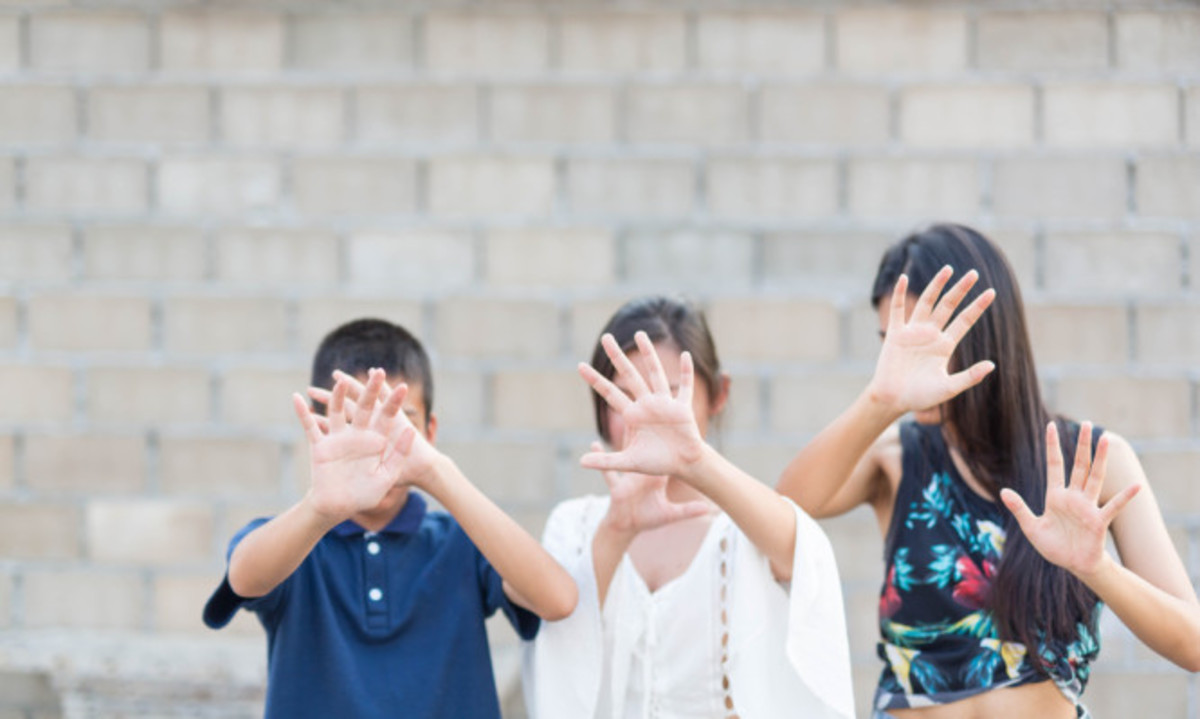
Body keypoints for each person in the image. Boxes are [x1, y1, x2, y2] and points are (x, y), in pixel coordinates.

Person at [776, 224, 1200, 719]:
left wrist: (1096, 569)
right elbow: (784, 513)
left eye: (923, 338)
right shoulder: (895, 456)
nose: (905, 359)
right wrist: (880, 401)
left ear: (980, 328)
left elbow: (1192, 644)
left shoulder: (1092, 460)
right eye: (890, 343)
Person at [203, 318, 577, 719]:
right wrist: (320, 508)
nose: (378, 446)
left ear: (430, 431)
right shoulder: (297, 542)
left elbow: (557, 599)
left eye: (400, 424)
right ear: (322, 428)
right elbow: (244, 576)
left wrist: (437, 473)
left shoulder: (463, 542)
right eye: (357, 423)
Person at [523, 296, 856, 719]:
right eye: (623, 398)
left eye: (669, 394)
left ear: (718, 395)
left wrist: (695, 460)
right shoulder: (574, 525)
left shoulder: (746, 529)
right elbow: (560, 652)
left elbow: (804, 554)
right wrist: (616, 531)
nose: (645, 414)